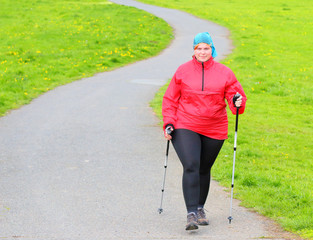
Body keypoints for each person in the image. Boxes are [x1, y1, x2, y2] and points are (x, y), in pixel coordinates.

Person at [162, 32, 247, 231]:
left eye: (206, 48)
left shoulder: (225, 72)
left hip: (214, 126)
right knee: (191, 164)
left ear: (212, 50)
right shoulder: (183, 71)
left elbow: (236, 101)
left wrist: (237, 102)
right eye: (198, 48)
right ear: (194, 50)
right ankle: (191, 213)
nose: (202, 52)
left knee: (203, 168)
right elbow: (170, 99)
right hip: (186, 123)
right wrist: (169, 122)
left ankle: (200, 208)